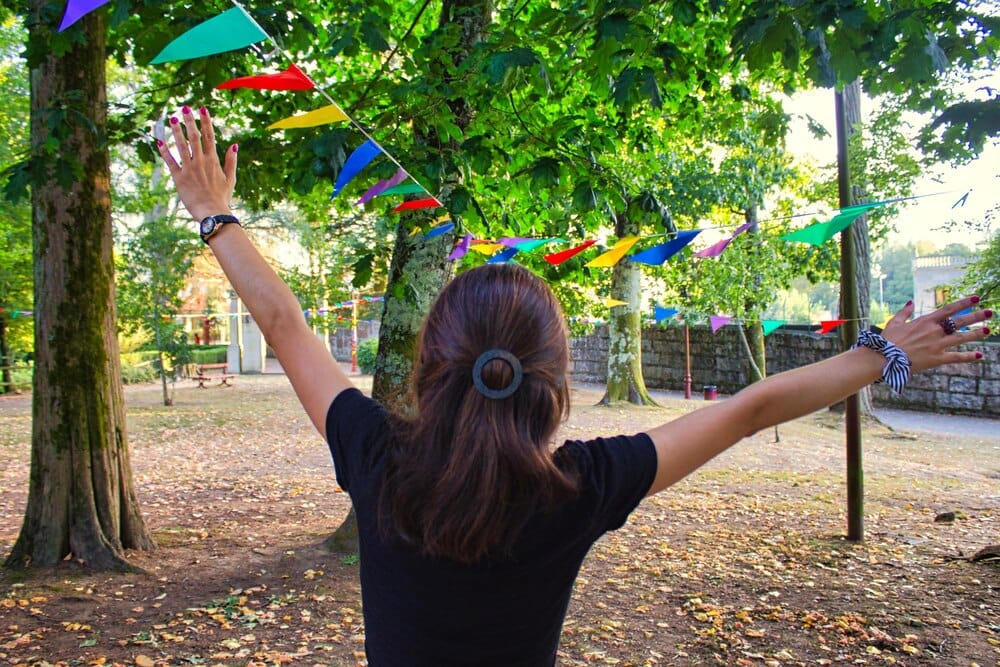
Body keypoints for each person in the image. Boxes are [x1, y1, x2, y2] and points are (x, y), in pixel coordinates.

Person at [157, 105, 992, 666]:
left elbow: (285, 327)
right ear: (555, 386)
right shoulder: (580, 487)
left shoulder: (377, 456)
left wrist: (215, 212)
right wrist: (885, 353)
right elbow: (747, 411)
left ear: (428, 368)